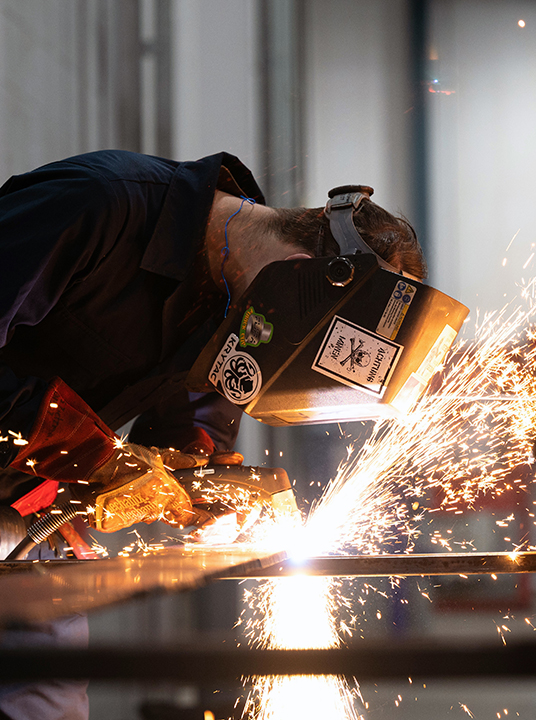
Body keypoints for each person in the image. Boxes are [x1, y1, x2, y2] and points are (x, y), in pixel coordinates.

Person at [0, 149, 425, 719]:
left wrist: (207, 487)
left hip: (26, 519)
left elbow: (192, 425)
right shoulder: (96, 207)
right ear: (298, 270)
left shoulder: (238, 300)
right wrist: (95, 460)